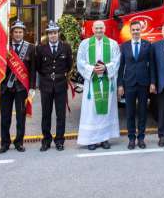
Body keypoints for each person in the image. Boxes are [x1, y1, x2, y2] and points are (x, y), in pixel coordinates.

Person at [77, 20, 121, 150]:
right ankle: (91, 140)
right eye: (96, 28)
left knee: (106, 111)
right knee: (92, 112)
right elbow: (80, 61)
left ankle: (104, 139)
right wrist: (92, 69)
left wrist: (106, 67)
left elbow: (117, 60)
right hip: (92, 82)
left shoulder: (112, 44)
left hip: (107, 81)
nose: (99, 30)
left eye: (101, 28)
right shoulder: (85, 44)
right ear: (92, 29)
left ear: (105, 28)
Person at [0, 20, 35, 154]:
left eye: (20, 32)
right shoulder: (4, 47)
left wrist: (32, 87)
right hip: (5, 88)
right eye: (16, 32)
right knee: (5, 117)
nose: (18, 34)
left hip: (21, 88)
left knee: (21, 117)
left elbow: (32, 69)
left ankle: (19, 142)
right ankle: (5, 143)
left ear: (24, 33)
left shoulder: (30, 48)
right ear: (12, 33)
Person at [36, 20, 73, 151]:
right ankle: (46, 140)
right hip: (46, 85)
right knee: (46, 114)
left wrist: (59, 76)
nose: (53, 35)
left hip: (60, 85)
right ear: (47, 34)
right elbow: (38, 67)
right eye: (50, 33)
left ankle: (59, 140)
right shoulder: (41, 48)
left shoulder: (66, 47)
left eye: (55, 32)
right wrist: (47, 77)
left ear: (58, 33)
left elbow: (69, 65)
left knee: (60, 114)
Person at [118, 21, 152, 149]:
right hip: (129, 83)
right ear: (130, 31)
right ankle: (131, 138)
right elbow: (121, 66)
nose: (136, 32)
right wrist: (120, 84)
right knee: (130, 112)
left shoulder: (147, 45)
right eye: (134, 30)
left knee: (143, 112)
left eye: (138, 29)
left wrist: (152, 83)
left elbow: (152, 65)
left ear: (141, 30)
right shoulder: (125, 46)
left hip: (144, 83)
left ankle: (141, 138)